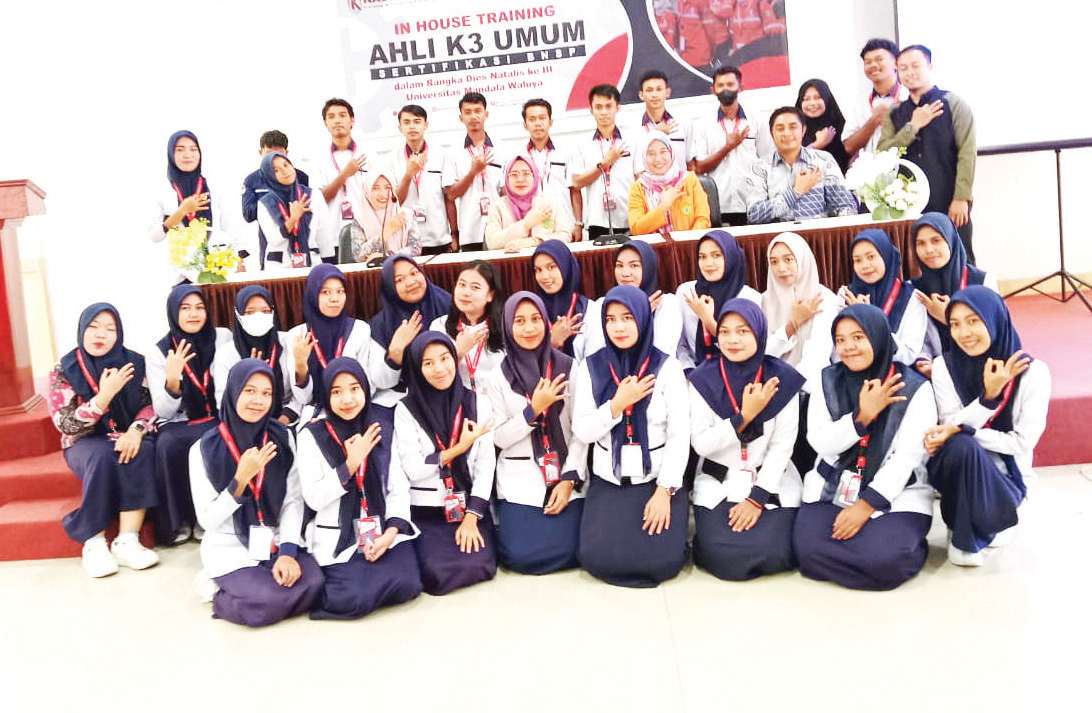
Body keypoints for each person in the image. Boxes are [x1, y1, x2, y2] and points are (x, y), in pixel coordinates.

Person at [793, 305, 936, 591]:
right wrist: (861, 419)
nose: (848, 347)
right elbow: (818, 441)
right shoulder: (826, 381)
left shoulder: (915, 388)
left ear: (879, 336)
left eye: (858, 337)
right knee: (804, 551)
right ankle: (869, 557)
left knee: (886, 561)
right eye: (841, 340)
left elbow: (906, 458)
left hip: (896, 494)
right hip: (832, 488)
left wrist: (866, 505)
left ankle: (891, 553)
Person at [189, 359, 323, 626]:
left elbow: (293, 502)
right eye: (249, 391)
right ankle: (217, 591)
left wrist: (287, 551)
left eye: (266, 393)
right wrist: (239, 481)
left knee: (317, 585)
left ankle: (255, 584)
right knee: (265, 604)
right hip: (231, 544)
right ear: (233, 391)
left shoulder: (282, 438)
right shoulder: (203, 449)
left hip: (273, 539)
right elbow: (208, 521)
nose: (258, 401)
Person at [572, 286, 689, 587]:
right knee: (597, 558)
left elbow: (679, 434)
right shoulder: (592, 366)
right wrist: (616, 405)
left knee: (662, 562)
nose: (618, 327)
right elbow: (583, 429)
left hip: (655, 478)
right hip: (610, 477)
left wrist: (664, 491)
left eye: (627, 317)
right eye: (610, 319)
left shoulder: (667, 366)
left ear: (643, 317)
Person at [924, 287, 1050, 566]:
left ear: (994, 319)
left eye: (973, 321)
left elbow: (1021, 442)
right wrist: (987, 399)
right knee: (961, 447)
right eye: (954, 324)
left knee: (963, 440)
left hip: (1007, 477)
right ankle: (965, 536)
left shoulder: (1032, 373)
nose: (964, 333)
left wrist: (965, 429)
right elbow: (948, 427)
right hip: (956, 469)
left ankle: (984, 521)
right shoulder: (944, 366)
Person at [688, 299, 806, 580]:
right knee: (723, 554)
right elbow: (701, 444)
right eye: (725, 332)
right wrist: (743, 418)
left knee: (777, 550)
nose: (732, 340)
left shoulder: (782, 379)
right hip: (720, 480)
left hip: (768, 479)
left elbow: (782, 446)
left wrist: (757, 499)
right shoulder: (703, 379)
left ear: (759, 333)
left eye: (743, 331)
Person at [297, 358, 423, 619]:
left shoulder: (381, 428)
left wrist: (390, 534)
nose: (347, 399)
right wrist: (350, 465)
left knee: (409, 583)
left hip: (379, 530)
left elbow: (398, 487)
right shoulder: (311, 435)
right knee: (354, 599)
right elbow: (313, 499)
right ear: (326, 395)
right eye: (336, 391)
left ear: (365, 390)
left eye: (354, 388)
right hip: (339, 535)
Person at [48, 304, 159, 577]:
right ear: (82, 330)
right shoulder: (65, 369)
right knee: (101, 455)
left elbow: (151, 404)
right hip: (84, 440)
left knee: (142, 451)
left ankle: (127, 540)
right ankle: (94, 542)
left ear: (119, 334)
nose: (101, 334)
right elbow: (66, 424)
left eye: (110, 329)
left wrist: (136, 430)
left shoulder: (135, 363)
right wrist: (103, 398)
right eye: (94, 326)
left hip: (125, 433)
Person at [487, 293, 588, 574]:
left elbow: (580, 432)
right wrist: (533, 411)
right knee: (520, 556)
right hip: (522, 480)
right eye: (519, 321)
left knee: (580, 547)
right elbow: (498, 437)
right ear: (508, 326)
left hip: (566, 474)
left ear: (546, 322)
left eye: (535, 320)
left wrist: (569, 479)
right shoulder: (498, 376)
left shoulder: (568, 367)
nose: (529, 329)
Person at [391, 332, 497, 595]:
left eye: (445, 358)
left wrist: (472, 517)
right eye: (428, 363)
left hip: (469, 508)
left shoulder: (478, 403)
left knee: (481, 566)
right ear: (416, 367)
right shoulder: (405, 409)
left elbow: (486, 466)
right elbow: (414, 469)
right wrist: (458, 448)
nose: (439, 369)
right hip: (428, 512)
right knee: (438, 576)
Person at [147, 285, 233, 545]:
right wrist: (173, 380)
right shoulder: (160, 351)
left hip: (216, 415)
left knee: (220, 437)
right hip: (180, 421)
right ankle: (182, 519)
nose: (193, 314)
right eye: (185, 308)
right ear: (173, 313)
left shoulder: (222, 338)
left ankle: (212, 516)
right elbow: (163, 411)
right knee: (168, 445)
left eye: (199, 307)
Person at [880, 45, 977, 261]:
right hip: (907, 205)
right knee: (917, 262)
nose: (910, 72)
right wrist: (912, 127)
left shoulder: (954, 103)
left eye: (916, 65)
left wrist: (962, 197)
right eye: (903, 68)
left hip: (948, 198)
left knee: (959, 258)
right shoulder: (895, 112)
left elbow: (967, 153)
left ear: (930, 66)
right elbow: (883, 155)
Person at [287, 264, 398, 420]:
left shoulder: (359, 329)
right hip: (317, 414)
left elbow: (368, 385)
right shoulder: (297, 336)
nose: (335, 299)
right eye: (325, 292)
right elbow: (304, 399)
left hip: (356, 408)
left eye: (340, 291)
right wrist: (300, 365)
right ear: (312, 295)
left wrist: (346, 404)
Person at [149, 130, 242, 284]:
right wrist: (182, 211)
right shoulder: (162, 191)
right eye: (180, 149)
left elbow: (230, 225)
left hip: (219, 268)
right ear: (171, 155)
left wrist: (240, 260)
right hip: (181, 275)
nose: (188, 155)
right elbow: (154, 235)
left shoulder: (214, 186)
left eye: (193, 149)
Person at [911, 212, 999, 369]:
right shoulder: (915, 288)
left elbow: (996, 333)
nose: (929, 249)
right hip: (936, 369)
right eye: (921, 243)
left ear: (950, 240)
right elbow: (918, 340)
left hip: (980, 365)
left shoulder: (981, 282)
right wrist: (923, 363)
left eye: (936, 240)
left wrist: (948, 318)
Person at [745, 107, 858, 224]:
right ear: (771, 133)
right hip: (779, 239)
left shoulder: (823, 160)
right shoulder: (760, 167)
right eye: (780, 128)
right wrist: (795, 193)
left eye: (793, 127)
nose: (787, 133)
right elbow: (754, 215)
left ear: (803, 130)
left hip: (819, 237)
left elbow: (846, 206)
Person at [368, 256, 452, 410]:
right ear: (389, 288)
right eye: (399, 280)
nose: (411, 282)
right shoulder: (380, 325)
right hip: (404, 399)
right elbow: (381, 382)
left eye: (414, 273)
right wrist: (396, 349)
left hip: (451, 392)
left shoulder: (449, 305)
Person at [213, 286, 303, 427]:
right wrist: (248, 376)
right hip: (243, 423)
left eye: (265, 311)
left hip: (286, 420)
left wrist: (285, 419)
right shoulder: (226, 354)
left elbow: (299, 395)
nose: (258, 316)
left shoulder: (288, 342)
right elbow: (223, 401)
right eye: (250, 312)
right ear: (238, 315)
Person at [762, 232, 840, 388]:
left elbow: (817, 357)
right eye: (774, 262)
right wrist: (793, 323)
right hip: (770, 386)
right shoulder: (764, 300)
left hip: (813, 387)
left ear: (802, 259)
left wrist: (788, 390)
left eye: (789, 259)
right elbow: (763, 354)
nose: (781, 268)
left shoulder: (824, 298)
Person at [675, 230, 761, 371]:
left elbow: (748, 349)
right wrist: (688, 370)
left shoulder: (750, 298)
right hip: (695, 373)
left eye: (716, 255)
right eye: (702, 257)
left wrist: (708, 321)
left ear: (730, 258)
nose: (708, 263)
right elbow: (681, 344)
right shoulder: (686, 292)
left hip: (738, 373)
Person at [839, 228, 927, 366]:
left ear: (886, 256)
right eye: (858, 260)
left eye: (871, 257)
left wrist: (870, 320)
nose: (865, 265)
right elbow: (837, 354)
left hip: (896, 375)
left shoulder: (911, 297)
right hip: (854, 375)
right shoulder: (846, 296)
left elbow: (908, 356)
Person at [582, 240, 683, 359]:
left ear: (648, 268)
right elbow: (595, 355)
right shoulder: (601, 305)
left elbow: (662, 353)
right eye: (619, 265)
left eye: (634, 265)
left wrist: (642, 318)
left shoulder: (666, 304)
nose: (625, 273)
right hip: (610, 375)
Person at [694, 66, 762, 227]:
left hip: (753, 202)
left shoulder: (757, 120)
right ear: (713, 90)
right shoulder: (703, 124)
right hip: (718, 205)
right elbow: (700, 168)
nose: (725, 89)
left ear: (741, 87)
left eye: (730, 84)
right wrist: (728, 147)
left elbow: (767, 160)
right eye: (721, 85)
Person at [442, 92, 508, 251]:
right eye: (468, 112)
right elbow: (451, 195)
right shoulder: (452, 152)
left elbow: (507, 193)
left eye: (478, 111)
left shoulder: (503, 148)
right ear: (461, 117)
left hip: (500, 230)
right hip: (469, 231)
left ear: (486, 114)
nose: (473, 116)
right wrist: (473, 172)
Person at [430, 260, 506, 395]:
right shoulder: (439, 326)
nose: (466, 293)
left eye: (475, 287)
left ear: (490, 295)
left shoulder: (504, 326)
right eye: (462, 284)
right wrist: (458, 352)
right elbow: (433, 374)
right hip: (456, 399)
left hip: (497, 399)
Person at [572, 84, 636, 239]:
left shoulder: (632, 139)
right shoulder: (582, 143)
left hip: (631, 217)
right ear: (591, 109)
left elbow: (641, 178)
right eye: (598, 107)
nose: (604, 112)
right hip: (597, 221)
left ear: (618, 107)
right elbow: (576, 184)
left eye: (609, 106)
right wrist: (604, 164)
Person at [387, 104, 452, 255]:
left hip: (439, 238)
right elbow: (394, 202)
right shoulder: (391, 159)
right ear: (400, 128)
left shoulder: (441, 154)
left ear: (425, 125)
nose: (412, 126)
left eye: (417, 121)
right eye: (407, 122)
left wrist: (454, 234)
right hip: (406, 239)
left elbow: (449, 198)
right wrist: (408, 174)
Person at [241, 130, 310, 270]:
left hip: (301, 239)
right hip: (269, 239)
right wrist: (271, 202)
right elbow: (248, 214)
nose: (273, 158)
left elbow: (308, 208)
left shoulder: (300, 176)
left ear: (287, 153)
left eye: (279, 153)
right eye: (268, 153)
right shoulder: (252, 180)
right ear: (260, 153)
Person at [255, 151, 335, 269]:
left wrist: (329, 266)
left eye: (286, 165)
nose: (284, 171)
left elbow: (324, 236)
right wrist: (293, 219)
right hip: (279, 270)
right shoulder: (265, 203)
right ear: (269, 176)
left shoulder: (314, 195)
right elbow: (274, 240)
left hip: (312, 266)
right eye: (276, 170)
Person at [627, 130, 711, 236]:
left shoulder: (689, 180)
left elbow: (703, 219)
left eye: (663, 151)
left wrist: (687, 245)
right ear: (644, 157)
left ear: (671, 152)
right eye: (651, 154)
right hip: (653, 250)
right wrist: (664, 206)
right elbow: (636, 229)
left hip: (689, 248)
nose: (658, 159)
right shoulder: (638, 188)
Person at [484, 155, 573, 251]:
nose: (520, 179)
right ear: (506, 179)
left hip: (544, 263)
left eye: (526, 173)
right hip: (511, 264)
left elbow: (565, 236)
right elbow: (492, 243)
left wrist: (534, 242)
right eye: (514, 174)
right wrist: (525, 224)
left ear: (534, 176)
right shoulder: (497, 207)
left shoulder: (550, 203)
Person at [316, 98, 379, 231]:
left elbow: (381, 194)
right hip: (333, 234)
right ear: (326, 123)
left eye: (342, 115)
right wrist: (344, 174)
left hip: (367, 231)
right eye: (331, 117)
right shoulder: (319, 158)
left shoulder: (368, 153)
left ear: (352, 120)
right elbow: (319, 200)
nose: (337, 120)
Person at [522, 98, 581, 241]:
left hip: (563, 224)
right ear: (525, 124)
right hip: (531, 225)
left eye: (542, 118)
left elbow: (574, 190)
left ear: (550, 122)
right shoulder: (518, 156)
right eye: (532, 119)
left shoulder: (566, 152)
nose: (537, 123)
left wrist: (578, 223)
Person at [842, 39, 908, 159]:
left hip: (907, 170)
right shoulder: (861, 102)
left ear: (896, 63)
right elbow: (849, 147)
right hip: (871, 173)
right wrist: (874, 120)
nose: (873, 65)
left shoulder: (908, 96)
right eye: (868, 62)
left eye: (879, 59)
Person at [531, 240, 588, 359]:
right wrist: (552, 342)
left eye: (551, 267)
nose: (544, 277)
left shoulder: (590, 310)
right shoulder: (531, 313)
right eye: (538, 270)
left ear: (566, 266)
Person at [349, 169, 421, 262]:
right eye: (375, 188)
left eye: (387, 187)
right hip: (372, 273)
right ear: (367, 191)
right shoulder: (359, 221)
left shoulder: (406, 215)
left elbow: (416, 249)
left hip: (403, 268)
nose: (383, 194)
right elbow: (358, 256)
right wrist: (386, 232)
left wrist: (387, 257)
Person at [634, 70, 694, 173]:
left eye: (659, 89)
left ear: (667, 92)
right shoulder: (634, 129)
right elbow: (638, 172)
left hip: (681, 187)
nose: (654, 94)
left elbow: (691, 164)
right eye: (649, 90)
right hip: (651, 188)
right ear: (641, 95)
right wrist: (656, 135)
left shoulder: (683, 123)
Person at [795, 79, 851, 174]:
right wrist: (817, 145)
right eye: (806, 99)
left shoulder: (843, 128)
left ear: (827, 99)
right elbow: (790, 165)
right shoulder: (795, 131)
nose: (812, 103)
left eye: (818, 97)